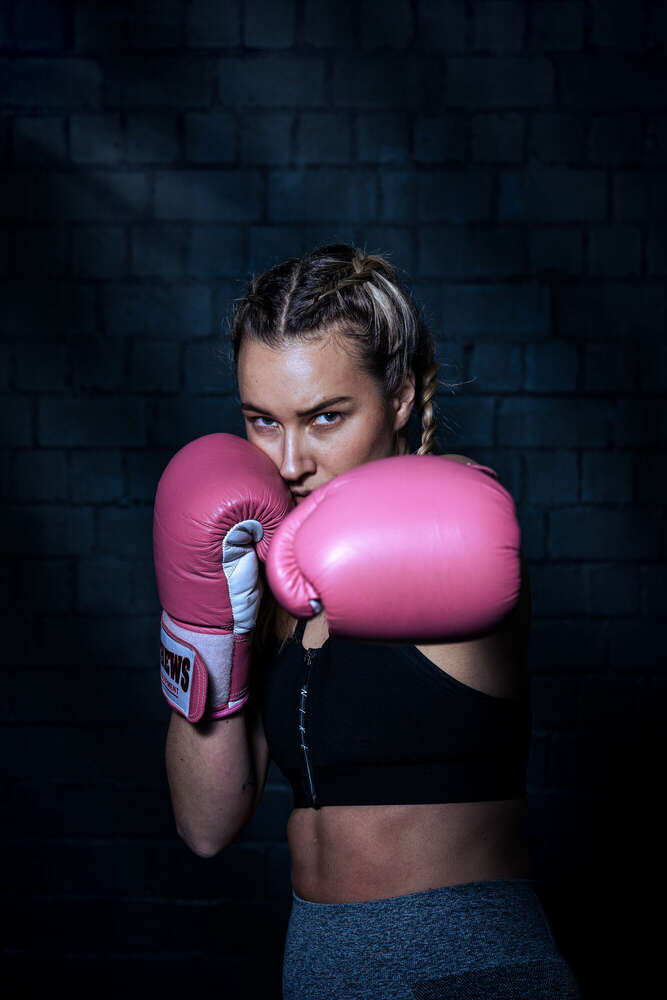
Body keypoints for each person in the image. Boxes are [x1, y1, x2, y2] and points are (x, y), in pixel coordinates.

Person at [157, 244, 583, 998]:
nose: (289, 461)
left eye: (325, 417)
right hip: (321, 966)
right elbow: (206, 826)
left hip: (464, 969)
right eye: (262, 421)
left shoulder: (458, 531)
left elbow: (466, 533)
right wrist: (203, 622)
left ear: (401, 395)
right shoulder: (266, 572)